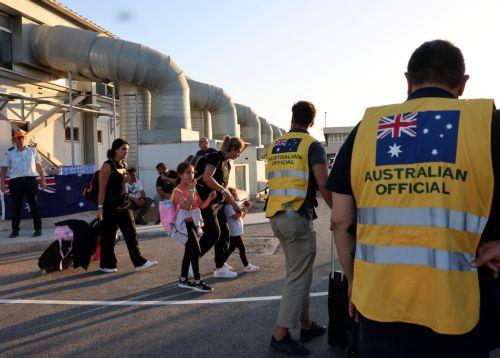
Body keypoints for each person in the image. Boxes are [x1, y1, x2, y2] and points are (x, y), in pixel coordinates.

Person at [329, 40, 500, 357]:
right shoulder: (485, 123)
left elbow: (340, 220)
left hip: (380, 307)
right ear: (462, 84)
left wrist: (354, 282)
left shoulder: (367, 128)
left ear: (408, 81)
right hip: (460, 310)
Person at [267, 101, 332, 356]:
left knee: (297, 273)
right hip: (296, 218)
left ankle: (305, 325)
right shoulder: (311, 145)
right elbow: (323, 183)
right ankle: (280, 336)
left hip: (276, 216)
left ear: (292, 117)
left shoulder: (276, 145)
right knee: (298, 277)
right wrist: (338, 212)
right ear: (312, 122)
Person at [97, 138, 157, 273]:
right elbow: (102, 189)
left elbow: (124, 184)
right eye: (123, 149)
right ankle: (107, 264)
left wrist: (127, 180)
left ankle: (139, 262)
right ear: (115, 150)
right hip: (109, 206)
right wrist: (100, 208)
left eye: (127, 150)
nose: (126, 152)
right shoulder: (107, 166)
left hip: (124, 204)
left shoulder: (123, 164)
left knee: (131, 233)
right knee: (109, 236)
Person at [196, 135, 242, 279]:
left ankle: (220, 266)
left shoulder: (227, 163)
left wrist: (234, 204)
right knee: (213, 234)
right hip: (207, 202)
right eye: (238, 151)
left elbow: (224, 187)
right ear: (233, 149)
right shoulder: (215, 157)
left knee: (223, 234)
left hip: (219, 203)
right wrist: (222, 191)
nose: (239, 154)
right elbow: (207, 178)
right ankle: (192, 261)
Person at [172, 162, 217, 292]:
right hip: (185, 223)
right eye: (187, 172)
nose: (191, 175)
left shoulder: (192, 187)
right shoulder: (178, 190)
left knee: (189, 251)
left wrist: (209, 198)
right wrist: (191, 190)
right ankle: (198, 282)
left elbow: (201, 205)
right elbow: (186, 207)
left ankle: (183, 280)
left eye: (192, 172)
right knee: (196, 250)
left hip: (194, 222)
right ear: (180, 174)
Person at [0, 129, 46, 238]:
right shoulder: (10, 152)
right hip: (16, 182)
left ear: (25, 138)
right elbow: (4, 169)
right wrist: (2, 183)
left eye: (22, 137)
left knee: (34, 205)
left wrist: (43, 179)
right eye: (18, 138)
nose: (21, 139)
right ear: (14, 140)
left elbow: (39, 166)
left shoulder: (32, 150)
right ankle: (15, 230)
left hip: (30, 181)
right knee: (16, 207)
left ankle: (38, 229)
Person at [221, 187, 259, 272]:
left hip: (237, 231)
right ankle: (246, 265)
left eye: (234, 195)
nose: (233, 197)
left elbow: (240, 217)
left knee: (231, 249)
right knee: (242, 248)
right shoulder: (228, 207)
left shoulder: (232, 206)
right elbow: (235, 217)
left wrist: (245, 210)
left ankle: (220, 263)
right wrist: (241, 210)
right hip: (235, 231)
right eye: (231, 195)